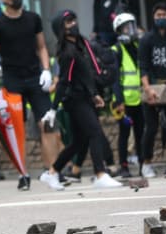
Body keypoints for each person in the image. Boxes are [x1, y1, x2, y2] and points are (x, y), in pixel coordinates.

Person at [0, 0, 62, 191]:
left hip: (35, 78)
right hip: (12, 81)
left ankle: (52, 171)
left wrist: (46, 69)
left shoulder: (33, 19)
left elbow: (42, 47)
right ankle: (23, 173)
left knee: (47, 123)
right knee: (16, 129)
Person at [45, 10, 124, 189]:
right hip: (74, 100)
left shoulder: (82, 44)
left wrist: (94, 94)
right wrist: (52, 108)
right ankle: (100, 173)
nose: (73, 24)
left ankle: (52, 172)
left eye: (74, 20)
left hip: (84, 97)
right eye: (68, 22)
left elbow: (86, 75)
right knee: (95, 132)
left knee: (78, 142)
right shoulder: (68, 53)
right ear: (61, 29)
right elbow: (64, 82)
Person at [138, 3, 166, 178]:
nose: (161, 18)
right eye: (158, 15)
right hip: (151, 87)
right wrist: (147, 89)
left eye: (164, 14)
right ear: (153, 17)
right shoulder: (146, 39)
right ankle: (146, 163)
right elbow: (143, 67)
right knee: (151, 128)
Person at [111, 13, 144, 178]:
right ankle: (124, 167)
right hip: (124, 101)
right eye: (126, 27)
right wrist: (119, 101)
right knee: (124, 134)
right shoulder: (116, 49)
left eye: (132, 25)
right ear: (118, 30)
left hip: (140, 99)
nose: (130, 30)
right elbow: (115, 78)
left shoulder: (137, 46)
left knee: (140, 133)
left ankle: (143, 165)